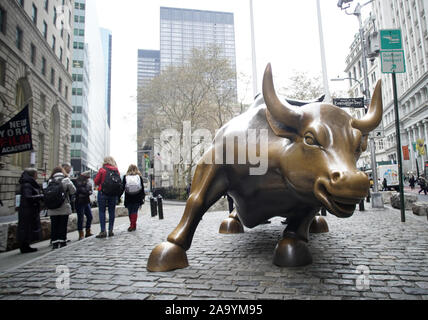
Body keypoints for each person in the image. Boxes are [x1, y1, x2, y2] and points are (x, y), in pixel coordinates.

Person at [47, 166, 76, 249]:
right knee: (63, 225)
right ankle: (62, 241)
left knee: (54, 225)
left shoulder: (50, 180)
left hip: (52, 207)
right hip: (63, 206)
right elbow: (73, 191)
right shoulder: (66, 180)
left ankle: (55, 243)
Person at [17, 168, 44, 253]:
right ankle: (24, 247)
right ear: (33, 175)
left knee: (27, 228)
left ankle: (26, 245)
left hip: (29, 209)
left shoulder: (29, 184)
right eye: (36, 174)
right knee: (26, 228)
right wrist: (41, 196)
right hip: (27, 210)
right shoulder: (27, 184)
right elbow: (28, 197)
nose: (37, 176)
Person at [94, 156, 121, 238]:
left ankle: (103, 231)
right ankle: (111, 230)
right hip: (113, 194)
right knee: (111, 211)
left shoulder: (102, 169)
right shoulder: (116, 170)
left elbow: (96, 181)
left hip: (103, 193)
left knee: (102, 211)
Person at [122, 164, 145, 232]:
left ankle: (132, 225)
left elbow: (123, 187)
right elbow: (142, 188)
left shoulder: (125, 177)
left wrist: (118, 196)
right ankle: (133, 225)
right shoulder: (139, 177)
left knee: (130, 212)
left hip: (128, 196)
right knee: (135, 211)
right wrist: (142, 197)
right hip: (137, 197)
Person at [74, 171, 93, 240]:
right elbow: (81, 190)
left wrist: (88, 191)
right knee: (80, 218)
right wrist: (88, 191)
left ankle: (88, 231)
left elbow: (89, 190)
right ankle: (81, 233)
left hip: (86, 201)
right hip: (80, 201)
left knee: (90, 216)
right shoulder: (79, 181)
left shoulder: (87, 181)